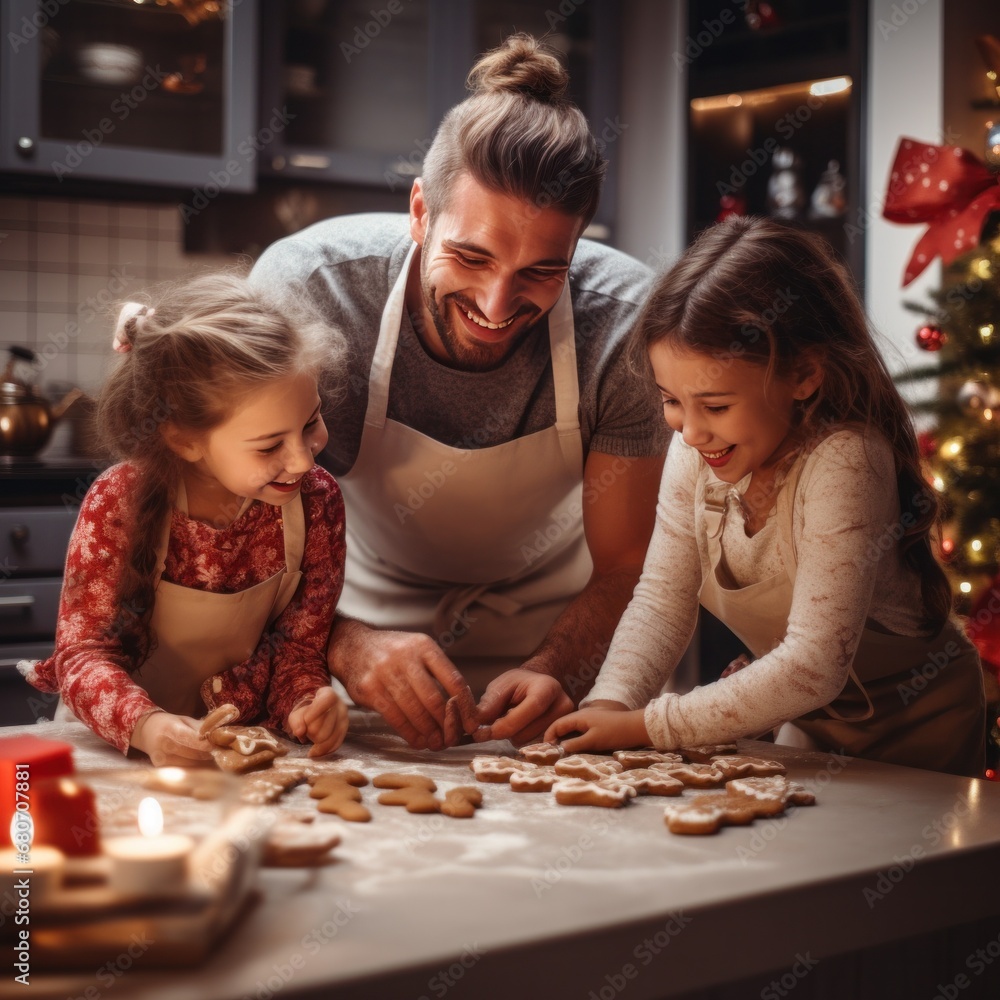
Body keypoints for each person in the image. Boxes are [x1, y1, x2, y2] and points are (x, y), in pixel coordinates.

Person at [250, 34, 667, 750]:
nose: (498, 305)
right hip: (337, 644)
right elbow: (240, 541)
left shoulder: (626, 324)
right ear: (420, 211)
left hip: (556, 648)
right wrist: (344, 646)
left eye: (542, 271)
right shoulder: (314, 293)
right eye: (471, 257)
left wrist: (559, 667)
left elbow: (628, 565)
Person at [546, 215, 987, 777]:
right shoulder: (695, 450)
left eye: (717, 405)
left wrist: (648, 726)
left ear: (803, 375)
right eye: (671, 400)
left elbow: (814, 663)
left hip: (920, 725)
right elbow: (661, 599)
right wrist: (610, 704)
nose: (691, 430)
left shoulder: (845, 461)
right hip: (813, 714)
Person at [19, 273, 350, 766]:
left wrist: (306, 704)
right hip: (117, 753)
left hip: (239, 753)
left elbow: (296, 650)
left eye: (311, 423)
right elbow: (83, 654)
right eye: (270, 445)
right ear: (183, 439)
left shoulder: (316, 502)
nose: (303, 460)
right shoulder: (120, 502)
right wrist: (149, 728)